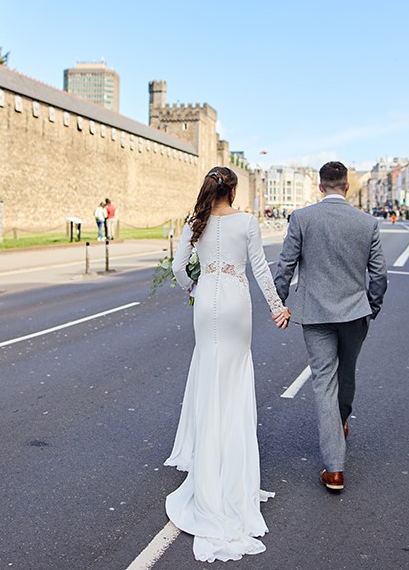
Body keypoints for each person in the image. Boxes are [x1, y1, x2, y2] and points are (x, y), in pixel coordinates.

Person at [165, 166, 290, 562]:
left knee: (208, 374)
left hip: (207, 304)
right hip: (236, 303)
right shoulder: (248, 222)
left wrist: (194, 288)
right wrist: (277, 308)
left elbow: (177, 268)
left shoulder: (194, 222)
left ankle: (208, 468)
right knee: (234, 381)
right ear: (233, 190)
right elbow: (260, 270)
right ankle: (232, 473)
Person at [272, 161, 388, 494]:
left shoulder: (303, 218)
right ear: (347, 186)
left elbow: (286, 265)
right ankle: (339, 432)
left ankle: (334, 469)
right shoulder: (367, 222)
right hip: (355, 314)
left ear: (320, 187)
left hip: (316, 314)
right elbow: (378, 275)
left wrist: (279, 303)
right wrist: (372, 308)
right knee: (347, 374)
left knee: (324, 383)